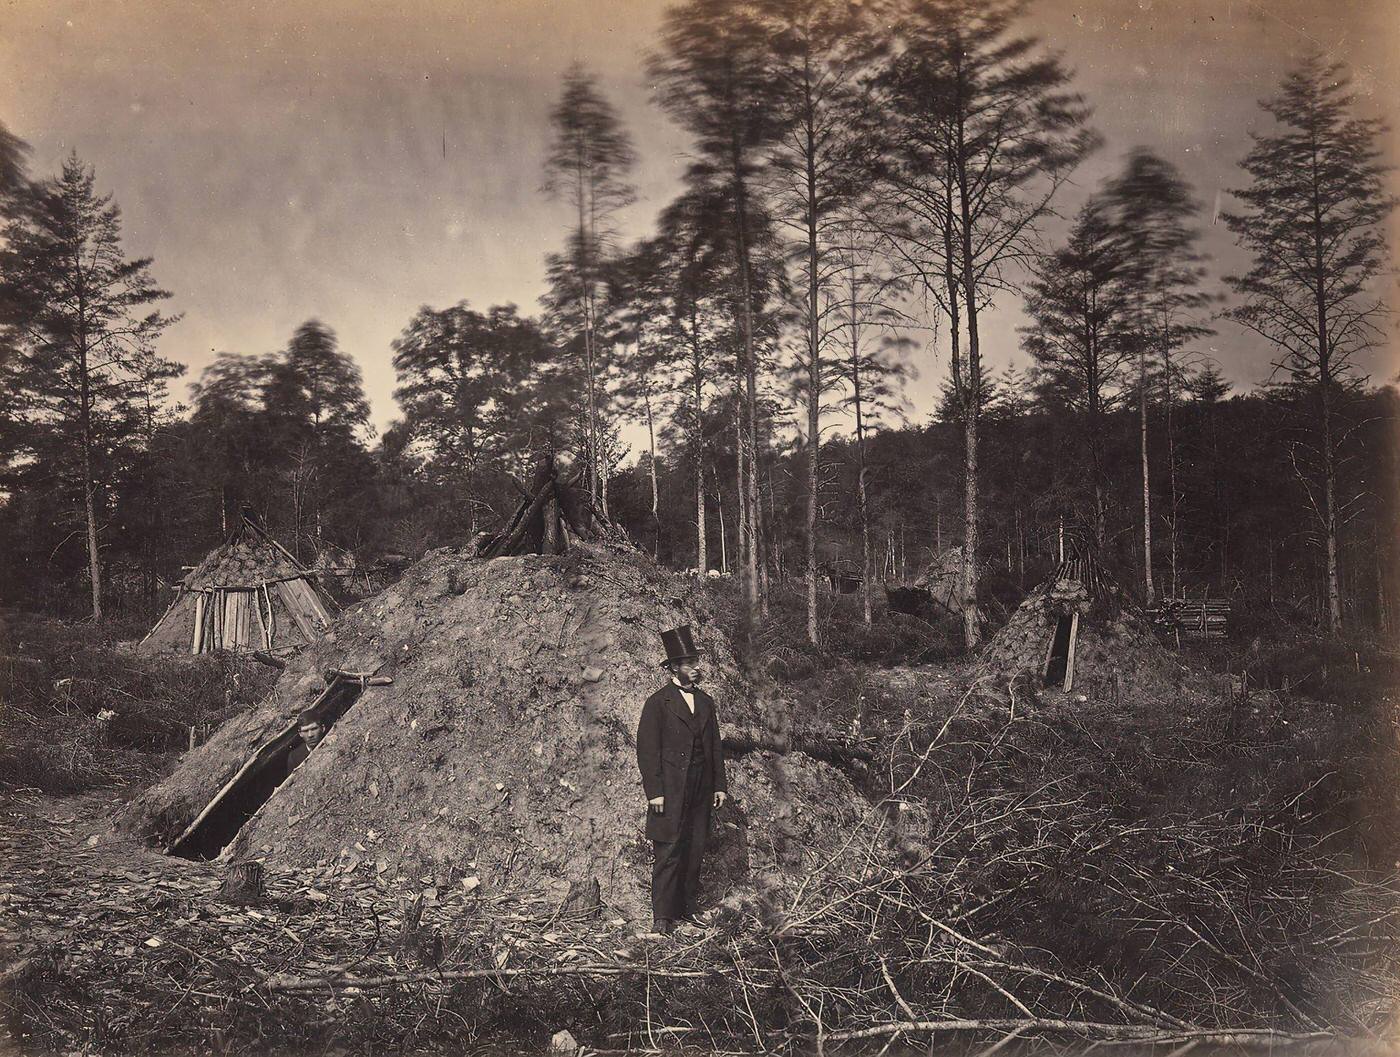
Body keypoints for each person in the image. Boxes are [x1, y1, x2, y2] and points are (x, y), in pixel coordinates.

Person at [635, 624, 728, 936]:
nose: (696, 670)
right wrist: (655, 792)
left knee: (695, 846)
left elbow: (715, 746)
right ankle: (662, 916)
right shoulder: (657, 703)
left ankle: (687, 909)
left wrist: (719, 785)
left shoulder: (706, 702)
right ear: (674, 668)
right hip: (671, 790)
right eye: (690, 665)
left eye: (696, 663)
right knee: (669, 848)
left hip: (701, 786)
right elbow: (647, 751)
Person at [283, 712, 325, 779]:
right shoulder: (294, 757)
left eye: (314, 729)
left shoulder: (331, 743)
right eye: (305, 731)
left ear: (322, 728)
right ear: (300, 733)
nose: (310, 735)